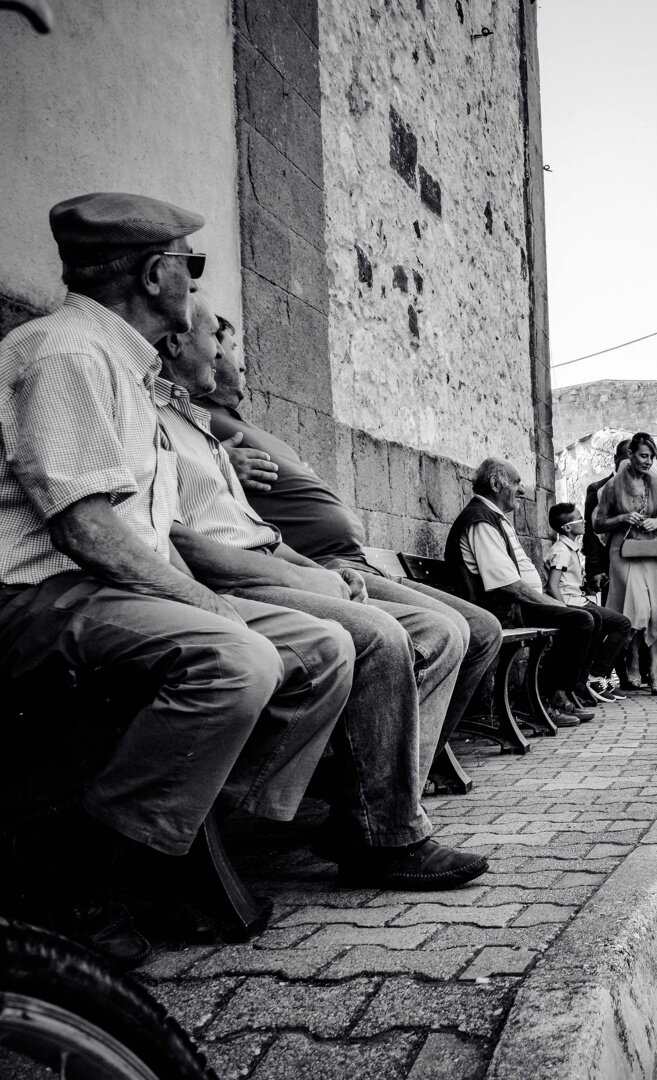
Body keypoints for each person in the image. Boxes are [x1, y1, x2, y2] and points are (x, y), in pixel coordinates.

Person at [0, 192, 356, 964]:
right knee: (237, 657)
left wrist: (206, 598)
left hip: (110, 591)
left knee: (323, 648)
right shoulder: (67, 352)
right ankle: (77, 871)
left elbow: (149, 533)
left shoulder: (130, 371)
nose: (194, 283)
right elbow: (86, 530)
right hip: (38, 596)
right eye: (188, 265)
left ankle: (183, 832)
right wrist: (208, 605)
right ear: (154, 273)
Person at [153, 298, 490, 891]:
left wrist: (319, 571)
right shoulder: (152, 416)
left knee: (441, 632)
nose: (229, 354)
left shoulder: (198, 428)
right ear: (177, 342)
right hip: (230, 581)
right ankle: (385, 833)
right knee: (381, 637)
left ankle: (371, 809)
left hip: (277, 565)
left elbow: (262, 534)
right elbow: (174, 539)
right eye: (218, 339)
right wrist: (310, 577)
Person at [198, 306, 503, 772]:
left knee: (481, 630)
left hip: (350, 562)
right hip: (321, 564)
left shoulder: (235, 422)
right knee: (452, 632)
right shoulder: (195, 421)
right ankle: (386, 778)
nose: (242, 362)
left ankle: (408, 770)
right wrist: (218, 462)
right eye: (232, 346)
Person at [444, 459, 595, 724]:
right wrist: (553, 604)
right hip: (498, 611)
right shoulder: (481, 521)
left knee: (588, 618)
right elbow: (507, 584)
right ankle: (546, 699)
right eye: (516, 483)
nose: (523, 490)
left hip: (511, 606)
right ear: (495, 484)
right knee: (580, 620)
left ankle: (558, 694)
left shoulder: (492, 517)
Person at [592, 432, 657, 694]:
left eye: (651, 457)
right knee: (638, 609)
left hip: (654, 550)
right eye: (644, 456)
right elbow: (598, 524)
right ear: (630, 455)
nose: (648, 461)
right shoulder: (613, 486)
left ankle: (654, 671)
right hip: (624, 552)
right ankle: (633, 659)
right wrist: (623, 518)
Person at [546, 501, 633, 701]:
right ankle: (591, 677)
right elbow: (552, 586)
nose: (584, 522)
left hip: (579, 599)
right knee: (613, 623)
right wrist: (564, 611)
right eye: (579, 519)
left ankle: (596, 675)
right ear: (567, 528)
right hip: (571, 604)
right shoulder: (561, 551)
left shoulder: (571, 548)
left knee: (621, 623)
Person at [583, 439, 630, 605]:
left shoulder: (651, 486)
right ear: (616, 459)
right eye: (627, 459)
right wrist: (594, 569)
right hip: (610, 563)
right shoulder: (598, 489)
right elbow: (590, 531)